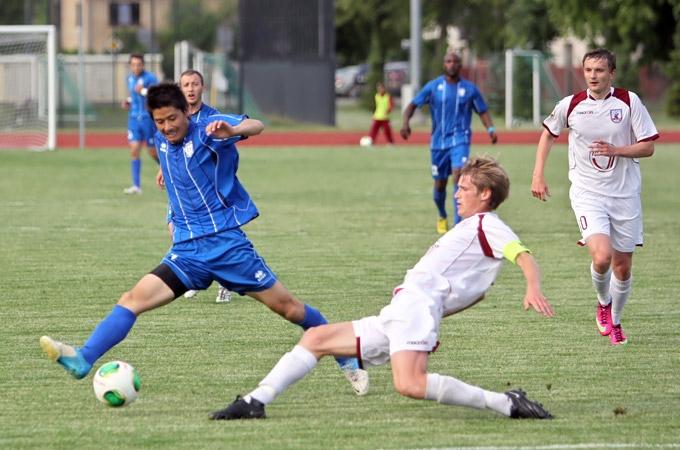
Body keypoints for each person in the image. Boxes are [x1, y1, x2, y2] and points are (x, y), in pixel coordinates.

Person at [40, 82, 369, 396]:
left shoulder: (209, 131)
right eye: (160, 121)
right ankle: (83, 359)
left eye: (173, 118)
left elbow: (256, 125)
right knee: (131, 299)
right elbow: (178, 176)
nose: (167, 126)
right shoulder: (163, 145)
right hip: (187, 253)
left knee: (291, 309)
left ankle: (344, 354)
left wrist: (233, 131)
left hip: (226, 246)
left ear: (186, 112)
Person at [211, 155, 554, 421]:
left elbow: (522, 256)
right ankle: (255, 401)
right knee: (316, 339)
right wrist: (424, 306)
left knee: (410, 384)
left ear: (485, 194)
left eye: (464, 188)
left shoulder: (486, 224)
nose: (457, 194)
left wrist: (532, 287)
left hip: (414, 309)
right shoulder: (470, 229)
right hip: (405, 310)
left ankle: (506, 403)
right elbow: (466, 292)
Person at [531, 48, 658, 346]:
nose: (593, 76)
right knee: (601, 257)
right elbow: (549, 133)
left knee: (623, 267)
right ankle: (603, 303)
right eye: (588, 70)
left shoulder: (629, 102)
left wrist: (617, 150)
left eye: (600, 70)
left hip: (625, 194)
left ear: (611, 73)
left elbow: (648, 147)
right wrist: (538, 174)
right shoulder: (571, 104)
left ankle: (615, 321)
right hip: (588, 192)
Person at [401, 51, 498, 234]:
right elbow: (412, 106)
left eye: (455, 61)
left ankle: (458, 223)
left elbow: (482, 111)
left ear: (460, 65)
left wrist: (491, 129)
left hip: (460, 140)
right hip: (438, 144)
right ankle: (442, 214)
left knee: (459, 175)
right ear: (444, 64)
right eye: (448, 61)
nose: (452, 64)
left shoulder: (470, 89)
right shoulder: (433, 87)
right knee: (440, 185)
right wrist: (405, 123)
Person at [167, 69, 231, 303]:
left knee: (214, 235)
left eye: (195, 84)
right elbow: (171, 147)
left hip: (207, 189)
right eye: (186, 85)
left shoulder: (212, 117)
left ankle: (225, 282)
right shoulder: (176, 116)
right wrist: (163, 170)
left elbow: (224, 152)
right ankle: (191, 278)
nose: (191, 88)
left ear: (202, 88)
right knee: (175, 229)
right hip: (180, 187)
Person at [122, 54, 159, 195]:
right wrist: (128, 101)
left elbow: (156, 95)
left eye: (138, 64)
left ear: (143, 65)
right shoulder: (129, 78)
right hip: (133, 119)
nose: (136, 67)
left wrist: (143, 90)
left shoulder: (150, 78)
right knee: (134, 149)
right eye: (133, 64)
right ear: (130, 65)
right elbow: (134, 96)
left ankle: (167, 171)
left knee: (152, 151)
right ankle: (136, 186)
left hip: (147, 119)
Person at [366, 82, 394, 146]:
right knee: (373, 130)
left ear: (384, 88)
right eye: (378, 88)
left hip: (385, 117)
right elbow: (375, 106)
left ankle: (391, 143)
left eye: (381, 88)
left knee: (387, 130)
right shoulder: (376, 96)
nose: (380, 89)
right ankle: (371, 141)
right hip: (377, 116)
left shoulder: (388, 96)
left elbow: (391, 105)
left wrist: (388, 110)